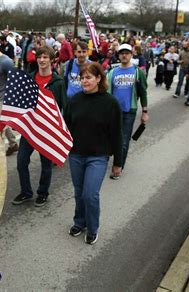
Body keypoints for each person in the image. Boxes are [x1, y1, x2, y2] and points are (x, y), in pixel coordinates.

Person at [64, 62, 122, 245]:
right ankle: (79, 222)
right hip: (76, 155)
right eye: (81, 77)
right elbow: (66, 127)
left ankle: (92, 227)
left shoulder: (110, 103)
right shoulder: (74, 100)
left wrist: (118, 162)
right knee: (79, 192)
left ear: (99, 78)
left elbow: (117, 134)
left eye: (88, 77)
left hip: (98, 156)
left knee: (90, 194)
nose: (84, 81)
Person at [12, 46, 67, 207]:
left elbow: (64, 106)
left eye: (45, 57)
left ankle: (43, 193)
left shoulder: (58, 83)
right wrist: (17, 120)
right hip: (29, 129)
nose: (42, 60)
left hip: (47, 131)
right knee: (21, 162)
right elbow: (20, 103)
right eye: (39, 57)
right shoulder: (29, 78)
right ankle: (26, 192)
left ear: (51, 60)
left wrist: (62, 129)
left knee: (46, 165)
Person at [107, 44, 149, 177]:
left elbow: (143, 92)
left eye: (127, 53)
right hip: (113, 112)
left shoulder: (138, 72)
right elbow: (107, 93)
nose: (124, 55)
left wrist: (145, 111)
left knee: (124, 140)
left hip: (129, 111)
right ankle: (106, 160)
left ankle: (118, 167)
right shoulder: (112, 72)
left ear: (131, 55)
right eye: (121, 53)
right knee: (110, 138)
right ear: (118, 55)